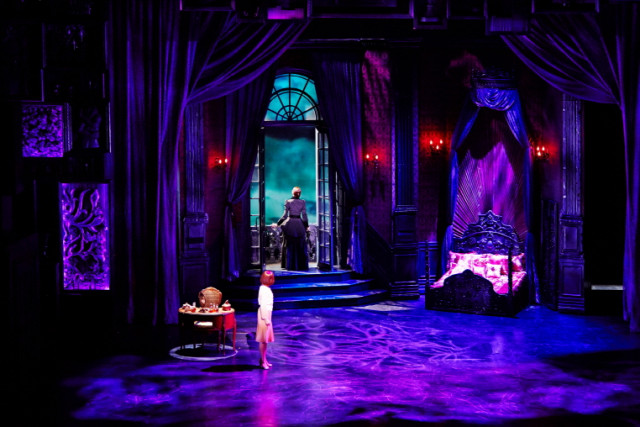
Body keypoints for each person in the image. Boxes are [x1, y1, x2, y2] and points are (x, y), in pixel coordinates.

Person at [273, 186, 309, 271]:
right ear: (299, 193)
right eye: (299, 192)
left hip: (290, 224)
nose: (299, 194)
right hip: (299, 224)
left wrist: (278, 223)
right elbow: (304, 215)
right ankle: (300, 265)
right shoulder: (302, 202)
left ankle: (289, 265)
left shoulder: (288, 201)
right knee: (300, 245)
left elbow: (285, 216)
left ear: (292, 193)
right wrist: (306, 225)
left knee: (289, 245)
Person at [256, 270, 275, 370]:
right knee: (263, 340)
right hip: (264, 315)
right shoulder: (264, 290)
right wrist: (265, 318)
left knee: (265, 340)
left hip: (267, 313)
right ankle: (263, 361)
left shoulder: (265, 288)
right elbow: (263, 305)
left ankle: (264, 359)